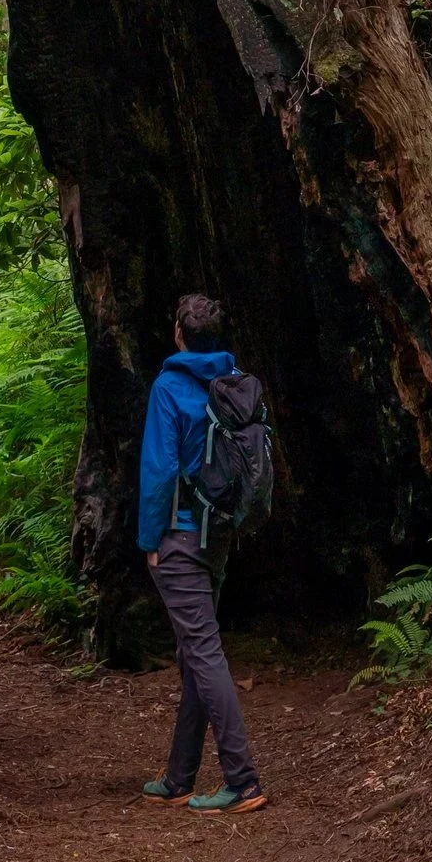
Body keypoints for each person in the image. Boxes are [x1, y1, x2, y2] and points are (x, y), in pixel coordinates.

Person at [137, 291, 267, 813]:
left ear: (178, 334)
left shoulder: (169, 387)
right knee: (196, 649)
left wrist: (151, 541)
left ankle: (243, 779)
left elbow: (161, 471)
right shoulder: (232, 384)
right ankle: (179, 777)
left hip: (182, 536)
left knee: (203, 651)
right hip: (219, 535)